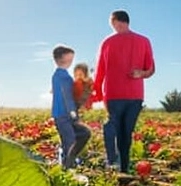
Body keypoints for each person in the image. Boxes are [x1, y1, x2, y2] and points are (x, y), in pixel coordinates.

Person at [93, 10, 155, 173]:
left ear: (115, 22)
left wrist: (98, 91)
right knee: (126, 132)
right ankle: (124, 167)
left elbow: (100, 70)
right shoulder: (144, 41)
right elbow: (150, 69)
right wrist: (140, 74)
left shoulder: (107, 42)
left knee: (113, 126)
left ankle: (113, 160)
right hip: (136, 95)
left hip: (113, 93)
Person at [51, 45, 91, 169]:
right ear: (63, 59)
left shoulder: (61, 76)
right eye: (70, 59)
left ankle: (69, 160)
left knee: (84, 133)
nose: (71, 61)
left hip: (66, 114)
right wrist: (72, 111)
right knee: (69, 140)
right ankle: (67, 166)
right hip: (63, 114)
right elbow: (66, 95)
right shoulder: (62, 76)